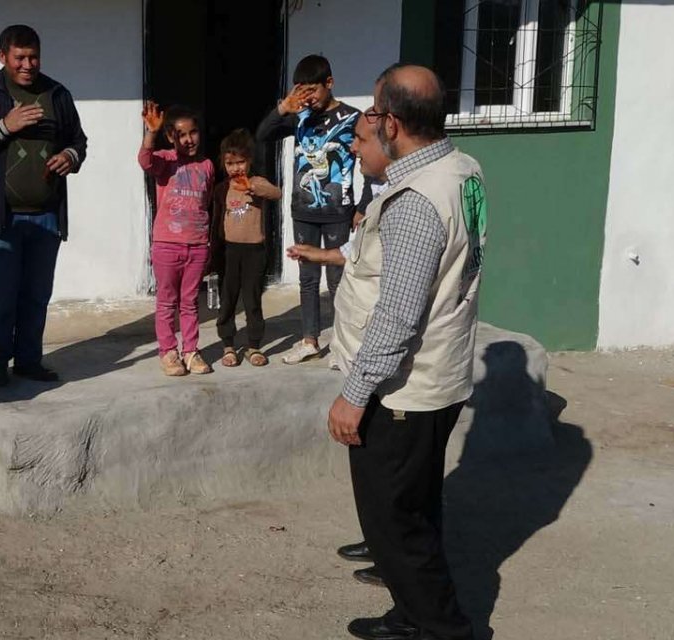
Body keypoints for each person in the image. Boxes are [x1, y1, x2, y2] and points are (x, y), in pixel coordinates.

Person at [289, 64, 487, 640]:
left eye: (373, 112)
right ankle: (409, 611)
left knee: (396, 519)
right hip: (441, 371)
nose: (366, 123)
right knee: (414, 505)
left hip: (404, 388)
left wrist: (354, 396)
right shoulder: (462, 168)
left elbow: (399, 315)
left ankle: (440, 628)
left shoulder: (416, 200)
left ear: (393, 124)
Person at [0, 24, 88, 387]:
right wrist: (4, 126)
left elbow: (78, 140)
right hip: (0, 219)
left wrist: (70, 157)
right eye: (20, 58)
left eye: (34, 57)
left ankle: (28, 360)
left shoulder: (57, 94)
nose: (28, 65)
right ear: (2, 56)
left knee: (36, 296)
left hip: (46, 218)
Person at [256, 54, 360, 365]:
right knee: (308, 279)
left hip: (339, 211)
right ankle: (309, 340)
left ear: (330, 83)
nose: (308, 98)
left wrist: (364, 205)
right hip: (303, 211)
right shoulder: (299, 118)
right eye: (302, 91)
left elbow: (371, 159)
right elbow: (262, 135)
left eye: (312, 90)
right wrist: (283, 109)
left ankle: (343, 344)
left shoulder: (352, 118)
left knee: (338, 280)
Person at [139, 101, 216, 376]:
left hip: (197, 245)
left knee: (190, 302)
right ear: (171, 137)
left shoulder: (207, 165)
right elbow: (145, 161)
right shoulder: (165, 160)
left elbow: (206, 202)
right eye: (181, 135)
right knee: (166, 302)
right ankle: (168, 351)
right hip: (167, 245)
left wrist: (206, 242)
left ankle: (191, 351)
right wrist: (151, 133)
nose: (188, 139)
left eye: (193, 132)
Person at [210, 129, 281, 368]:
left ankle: (254, 346)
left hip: (254, 252)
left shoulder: (257, 182)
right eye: (230, 163)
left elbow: (276, 193)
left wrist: (253, 187)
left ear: (250, 161)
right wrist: (213, 254)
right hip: (229, 251)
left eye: (240, 162)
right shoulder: (222, 189)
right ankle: (228, 345)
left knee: (252, 299)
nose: (236, 168)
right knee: (228, 299)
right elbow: (216, 220)